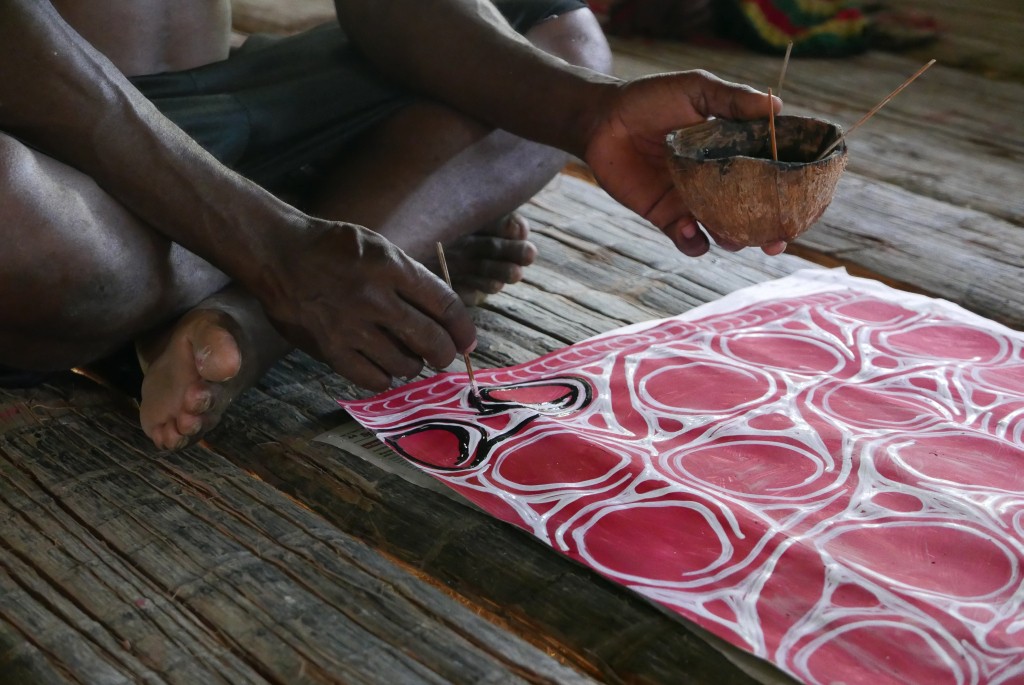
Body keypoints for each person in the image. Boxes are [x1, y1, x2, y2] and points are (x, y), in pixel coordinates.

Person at [0, 0, 783, 451]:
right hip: (43, 152)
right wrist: (273, 244)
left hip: (229, 101)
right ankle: (354, 231)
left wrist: (590, 113)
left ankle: (249, 311)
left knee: (552, 36)